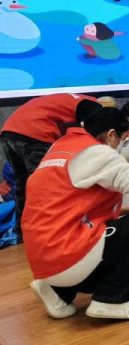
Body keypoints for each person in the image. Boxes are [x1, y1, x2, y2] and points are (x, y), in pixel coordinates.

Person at [22, 108, 129, 321]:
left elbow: (71, 204)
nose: (121, 146)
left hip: (43, 258)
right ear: (111, 134)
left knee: (125, 231)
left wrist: (128, 211)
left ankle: (58, 292)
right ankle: (112, 298)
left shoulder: (60, 148)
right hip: (67, 253)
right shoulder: (99, 152)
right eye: (123, 139)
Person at [0, 93, 101, 241]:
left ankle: (22, 232)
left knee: (22, 184)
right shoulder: (92, 105)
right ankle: (52, 231)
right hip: (35, 132)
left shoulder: (69, 100)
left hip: (9, 132)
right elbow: (91, 136)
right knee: (49, 184)